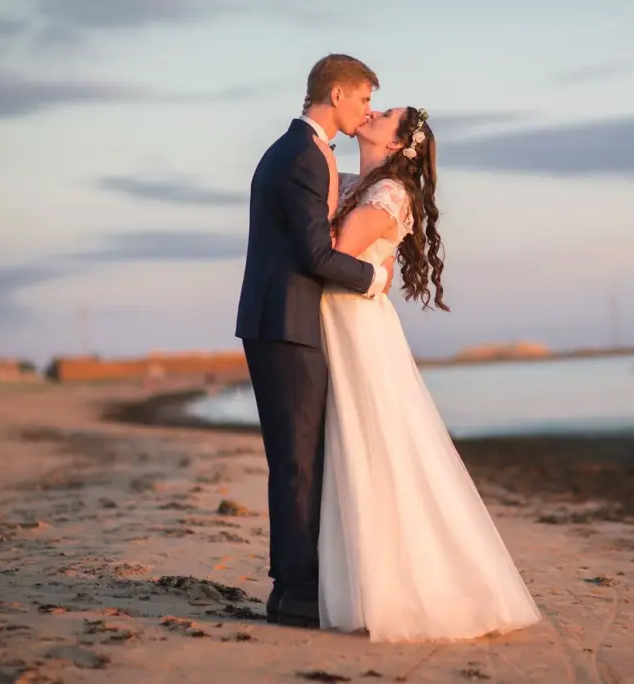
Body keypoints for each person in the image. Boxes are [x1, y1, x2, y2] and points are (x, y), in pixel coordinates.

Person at [315, 105, 542, 642]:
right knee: (355, 445)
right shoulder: (355, 182)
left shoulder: (389, 193)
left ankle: (396, 588)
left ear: (397, 144)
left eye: (386, 113)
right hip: (341, 321)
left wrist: (373, 270)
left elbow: (332, 253)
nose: (372, 110)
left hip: (357, 328)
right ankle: (358, 583)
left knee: (376, 445)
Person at [235, 54, 395, 628]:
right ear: (336, 95)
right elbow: (315, 254)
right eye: (364, 99)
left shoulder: (300, 150)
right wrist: (374, 279)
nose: (368, 111)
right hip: (285, 322)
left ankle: (295, 587)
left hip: (284, 321)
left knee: (298, 458)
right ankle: (295, 591)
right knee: (298, 463)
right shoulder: (303, 155)